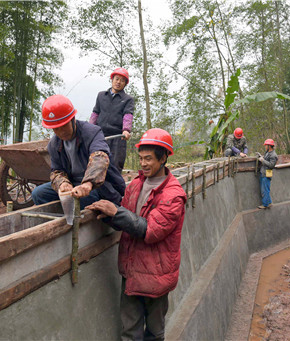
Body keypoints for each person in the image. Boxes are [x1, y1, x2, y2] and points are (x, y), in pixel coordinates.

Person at [86, 128, 187, 341]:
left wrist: (116, 212)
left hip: (156, 275)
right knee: (130, 332)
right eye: (141, 158)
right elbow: (126, 219)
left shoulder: (173, 195)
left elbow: (151, 230)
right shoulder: (135, 186)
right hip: (131, 272)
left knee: (154, 332)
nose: (143, 163)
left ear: (163, 158)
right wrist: (106, 215)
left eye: (149, 159)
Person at [31, 94, 126, 210]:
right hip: (74, 185)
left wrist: (88, 183)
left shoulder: (92, 132)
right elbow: (56, 171)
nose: (61, 132)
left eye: (64, 126)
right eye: (56, 128)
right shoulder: (54, 144)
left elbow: (100, 158)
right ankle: (61, 220)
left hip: (99, 187)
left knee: (83, 198)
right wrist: (62, 183)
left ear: (73, 120)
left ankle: (76, 221)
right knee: (38, 193)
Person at [90, 67, 135, 172]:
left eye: (122, 80)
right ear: (112, 79)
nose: (118, 82)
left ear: (125, 84)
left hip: (117, 137)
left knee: (115, 165)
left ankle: (115, 187)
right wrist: (90, 129)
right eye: (117, 79)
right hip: (100, 135)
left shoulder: (127, 99)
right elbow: (95, 113)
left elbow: (128, 115)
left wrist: (126, 130)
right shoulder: (101, 95)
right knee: (96, 163)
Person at [257, 139, 278, 209]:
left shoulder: (273, 155)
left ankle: (265, 204)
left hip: (267, 173)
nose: (265, 147)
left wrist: (263, 160)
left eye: (266, 145)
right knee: (265, 188)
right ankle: (269, 202)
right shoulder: (267, 152)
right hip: (264, 172)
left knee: (265, 189)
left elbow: (271, 165)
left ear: (270, 146)